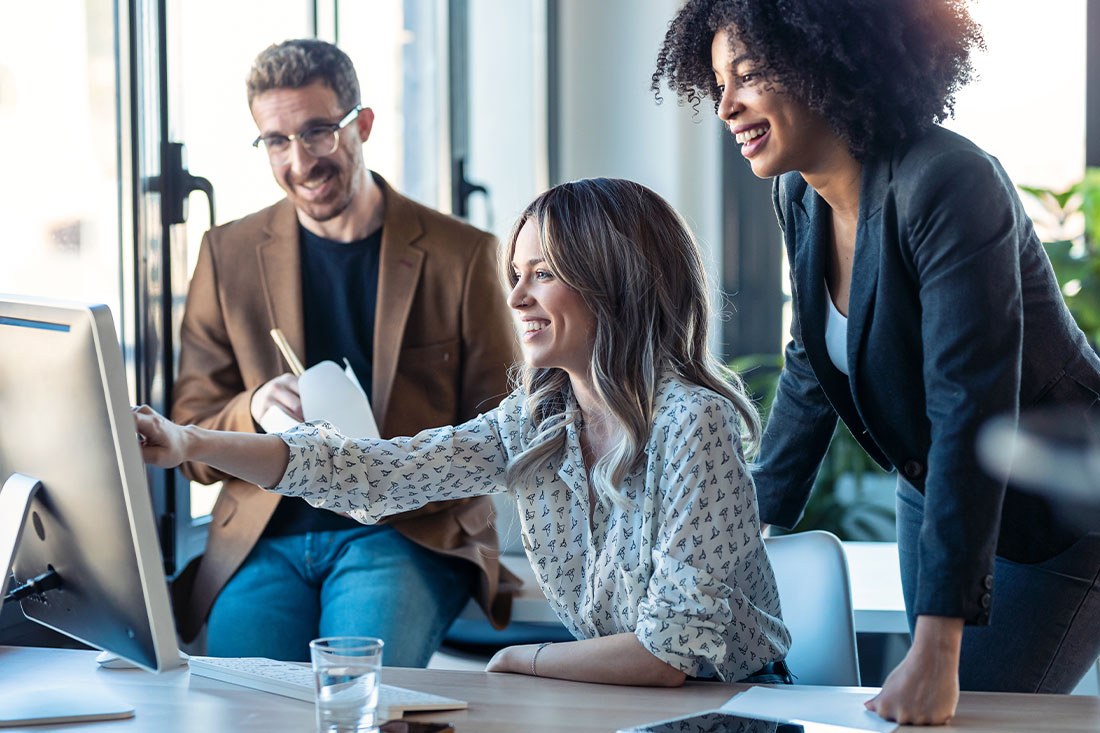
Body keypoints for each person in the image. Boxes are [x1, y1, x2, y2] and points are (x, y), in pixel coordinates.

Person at [139, 177, 792, 686]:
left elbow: (668, 654)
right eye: (516, 274)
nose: (514, 299)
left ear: (614, 281)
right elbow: (368, 473)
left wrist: (519, 662)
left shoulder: (692, 420)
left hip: (734, 704)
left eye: (543, 273)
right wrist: (189, 442)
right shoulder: (538, 419)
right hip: (630, 699)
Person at [653, 0, 1100, 724]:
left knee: (957, 713)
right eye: (717, 82)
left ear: (826, 61)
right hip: (935, 491)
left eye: (750, 73)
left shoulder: (952, 183)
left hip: (1057, 508)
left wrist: (937, 649)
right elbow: (809, 371)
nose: (726, 104)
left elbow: (970, 408)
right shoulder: (798, 194)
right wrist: (737, 533)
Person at [169, 38, 517, 665]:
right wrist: (252, 408)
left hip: (404, 530)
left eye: (318, 132)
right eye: (276, 141)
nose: (300, 161)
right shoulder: (227, 254)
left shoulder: (462, 255)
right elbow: (190, 431)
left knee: (358, 693)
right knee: (242, 703)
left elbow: (504, 427)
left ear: (362, 125)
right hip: (263, 534)